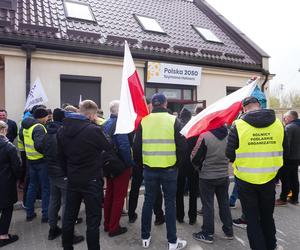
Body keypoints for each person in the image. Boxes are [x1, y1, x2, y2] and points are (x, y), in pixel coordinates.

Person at [226, 96, 288, 250]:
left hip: (246, 180)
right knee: (267, 217)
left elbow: (229, 153)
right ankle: (271, 246)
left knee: (252, 220)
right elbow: (284, 150)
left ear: (244, 109)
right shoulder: (278, 124)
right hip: (269, 178)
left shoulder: (238, 125)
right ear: (259, 106)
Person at [134, 93, 187, 250]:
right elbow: (183, 146)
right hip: (170, 169)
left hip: (149, 169)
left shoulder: (144, 121)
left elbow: (136, 148)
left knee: (148, 202)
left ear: (152, 104)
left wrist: (141, 164)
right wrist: (177, 163)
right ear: (165, 104)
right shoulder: (174, 120)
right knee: (170, 203)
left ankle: (145, 237)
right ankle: (172, 242)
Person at [57, 100, 112, 250]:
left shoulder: (62, 130)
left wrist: (68, 172)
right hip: (91, 179)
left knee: (69, 216)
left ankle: (67, 247)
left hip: (73, 178)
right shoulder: (93, 130)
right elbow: (108, 146)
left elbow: (60, 157)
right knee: (93, 220)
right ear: (93, 114)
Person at [44, 108, 84, 243]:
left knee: (54, 200)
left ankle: (52, 229)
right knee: (68, 204)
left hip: (52, 172)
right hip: (63, 173)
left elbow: (40, 147)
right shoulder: (62, 133)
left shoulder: (48, 131)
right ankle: (69, 235)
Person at [191, 125, 233, 244]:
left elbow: (194, 157)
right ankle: (229, 231)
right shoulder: (229, 135)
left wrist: (197, 167)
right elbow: (232, 154)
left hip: (207, 176)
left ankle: (208, 233)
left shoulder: (205, 136)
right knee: (224, 203)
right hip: (224, 175)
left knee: (208, 205)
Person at [102, 101, 133, 237]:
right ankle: (114, 227)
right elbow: (124, 147)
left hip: (108, 164)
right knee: (119, 197)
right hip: (120, 165)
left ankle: (107, 224)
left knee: (109, 194)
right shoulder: (120, 124)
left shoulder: (105, 123)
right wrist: (129, 164)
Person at [19, 107, 50, 223]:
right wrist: (47, 153)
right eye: (47, 116)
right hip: (41, 161)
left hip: (30, 160)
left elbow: (22, 138)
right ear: (42, 117)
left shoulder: (25, 126)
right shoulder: (39, 127)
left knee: (32, 186)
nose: (47, 118)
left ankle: (29, 213)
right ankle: (46, 215)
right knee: (46, 188)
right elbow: (39, 145)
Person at [0, 121, 21, 247]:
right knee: (7, 208)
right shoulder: (9, 147)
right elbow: (17, 167)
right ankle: (3, 236)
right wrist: (18, 178)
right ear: (4, 130)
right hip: (5, 183)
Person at [176, 108, 198, 225]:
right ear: (190, 117)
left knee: (179, 191)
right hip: (192, 163)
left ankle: (179, 216)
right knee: (193, 191)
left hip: (180, 163)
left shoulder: (178, 128)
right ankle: (192, 217)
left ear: (180, 116)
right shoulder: (195, 127)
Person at [276, 110, 300, 205]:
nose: (284, 119)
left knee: (285, 178)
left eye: (285, 117)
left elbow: (286, 145)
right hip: (297, 157)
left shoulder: (289, 127)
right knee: (294, 178)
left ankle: (283, 199)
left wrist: (282, 157)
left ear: (290, 118)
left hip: (288, 158)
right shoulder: (298, 126)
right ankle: (294, 198)